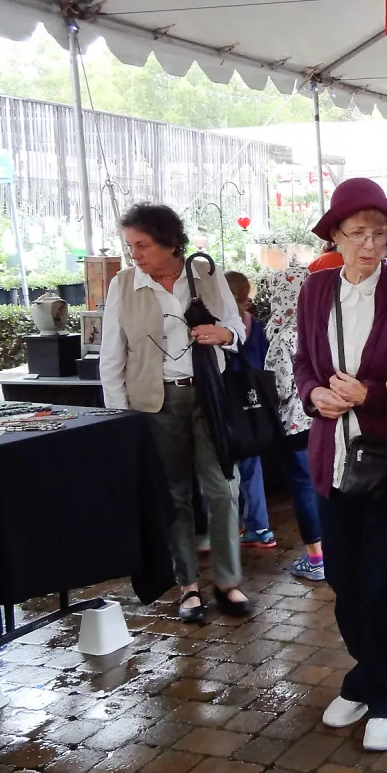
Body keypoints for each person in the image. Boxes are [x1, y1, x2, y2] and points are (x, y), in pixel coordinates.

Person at [294, 178, 387, 753]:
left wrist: (369, 394)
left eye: (379, 234)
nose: (369, 245)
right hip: (332, 461)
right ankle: (366, 673)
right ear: (335, 236)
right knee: (344, 583)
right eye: (357, 234)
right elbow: (303, 360)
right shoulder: (315, 290)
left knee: (384, 585)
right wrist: (312, 396)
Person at [99, 203, 249, 623]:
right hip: (153, 401)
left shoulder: (205, 274)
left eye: (143, 245)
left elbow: (236, 328)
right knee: (174, 495)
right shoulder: (124, 285)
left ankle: (228, 581)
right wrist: (118, 417)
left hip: (207, 396)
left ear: (170, 242)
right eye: (131, 246)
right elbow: (112, 354)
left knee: (223, 488)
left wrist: (224, 334)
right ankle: (188, 587)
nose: (136, 255)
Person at [259, 265, 326, 582]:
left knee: (304, 490)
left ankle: (317, 559)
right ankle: (337, 551)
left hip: (296, 429)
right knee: (327, 488)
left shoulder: (283, 338)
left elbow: (281, 389)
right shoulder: (324, 329)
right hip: (326, 421)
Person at [223, 270, 276, 549]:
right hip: (254, 404)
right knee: (252, 466)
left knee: (223, 469)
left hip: (227, 402)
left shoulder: (220, 329)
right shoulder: (259, 327)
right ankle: (259, 526)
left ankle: (223, 531)